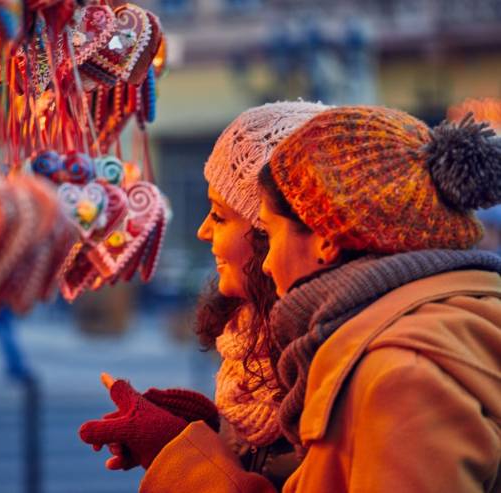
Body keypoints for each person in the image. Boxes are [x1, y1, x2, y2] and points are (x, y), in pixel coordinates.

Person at [80, 106, 501, 492]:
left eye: (270, 230)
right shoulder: (380, 347)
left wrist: (184, 464)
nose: (266, 262)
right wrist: (199, 441)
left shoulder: (400, 375)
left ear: (325, 240)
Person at [78, 101, 330, 483]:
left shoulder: (332, 364)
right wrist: (199, 432)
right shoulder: (252, 341)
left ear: (272, 230)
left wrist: (175, 452)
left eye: (219, 215)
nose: (203, 231)